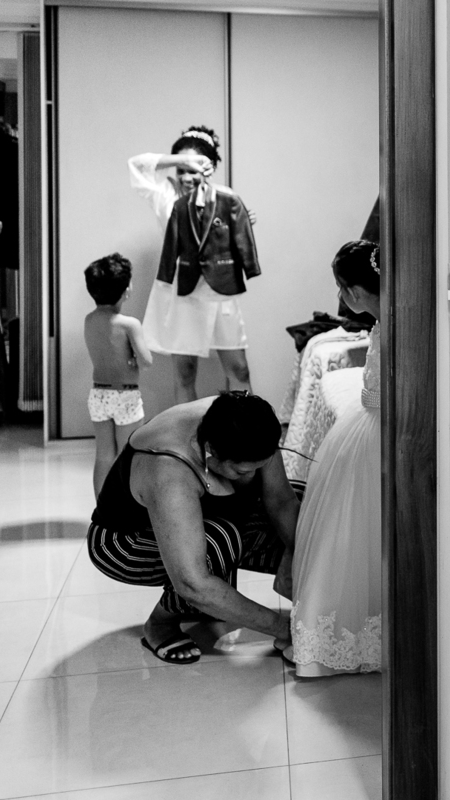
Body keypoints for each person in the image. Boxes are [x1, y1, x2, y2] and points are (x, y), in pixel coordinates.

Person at [87, 391, 301, 664]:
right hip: (125, 542)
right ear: (211, 452)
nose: (251, 478)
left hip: (204, 519)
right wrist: (286, 629)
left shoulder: (247, 423)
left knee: (306, 510)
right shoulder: (168, 470)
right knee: (219, 544)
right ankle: (160, 624)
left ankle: (215, 600)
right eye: (241, 472)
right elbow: (193, 582)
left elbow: (282, 501)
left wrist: (294, 556)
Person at [283, 240, 382, 676]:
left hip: (374, 428)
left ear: (355, 293)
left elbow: (379, 392)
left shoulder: (386, 326)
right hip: (370, 423)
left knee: (347, 536)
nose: (341, 299)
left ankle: (340, 637)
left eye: (342, 289)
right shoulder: (393, 319)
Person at [128, 125, 258, 404]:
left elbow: (234, 243)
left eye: (193, 169)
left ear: (208, 168)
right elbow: (137, 165)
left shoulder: (224, 195)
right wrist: (182, 160)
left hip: (219, 290)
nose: (186, 176)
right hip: (182, 292)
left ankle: (246, 437)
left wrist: (240, 225)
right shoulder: (164, 194)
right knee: (185, 373)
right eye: (181, 170)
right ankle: (188, 442)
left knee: (239, 368)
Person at [83, 253, 152, 497]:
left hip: (98, 395)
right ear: (126, 289)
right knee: (128, 454)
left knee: (103, 455)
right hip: (126, 396)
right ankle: (126, 506)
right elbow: (146, 361)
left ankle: (101, 508)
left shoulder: (89, 320)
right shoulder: (129, 324)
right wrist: (134, 356)